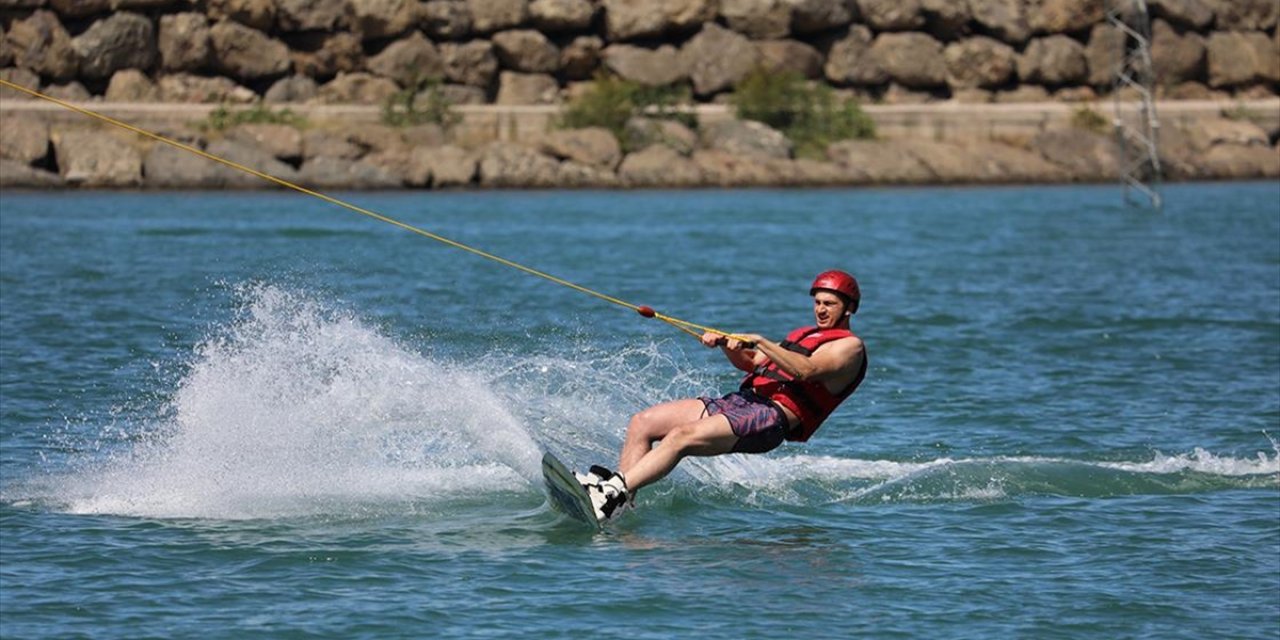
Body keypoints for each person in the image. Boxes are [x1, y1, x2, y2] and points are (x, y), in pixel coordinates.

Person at [578, 270, 868, 522]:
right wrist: (727, 345)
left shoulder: (849, 348)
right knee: (643, 422)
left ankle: (612, 493)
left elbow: (806, 370)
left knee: (681, 437)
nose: (820, 309)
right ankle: (617, 505)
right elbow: (752, 362)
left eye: (829, 304)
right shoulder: (804, 334)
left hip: (770, 418)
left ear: (849, 308)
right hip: (742, 403)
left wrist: (760, 340)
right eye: (817, 302)